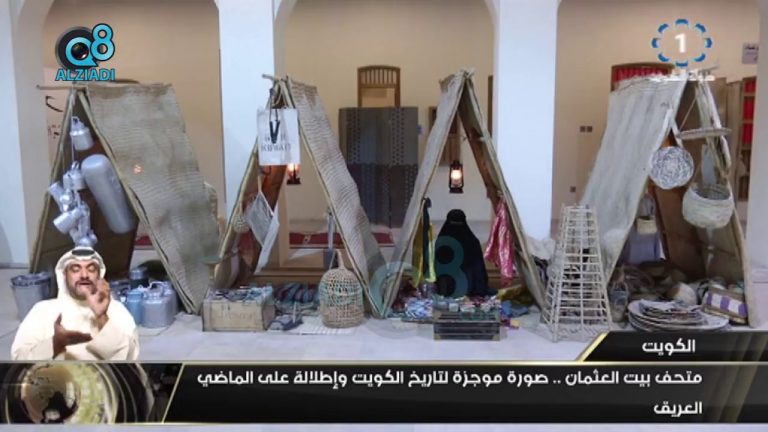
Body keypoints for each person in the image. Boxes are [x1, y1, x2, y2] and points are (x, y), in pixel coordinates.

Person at [11, 247, 139, 360]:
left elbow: (131, 358)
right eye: (76, 269)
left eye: (91, 269)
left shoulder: (117, 310)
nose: (84, 275)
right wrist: (55, 344)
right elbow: (18, 357)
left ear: (99, 275)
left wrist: (102, 318)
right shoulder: (43, 311)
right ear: (64, 275)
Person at [434, 209, 496, 298]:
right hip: (467, 288)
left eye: (458, 224)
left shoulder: (442, 240)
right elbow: (479, 270)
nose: (456, 230)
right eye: (453, 224)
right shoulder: (472, 241)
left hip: (449, 289)